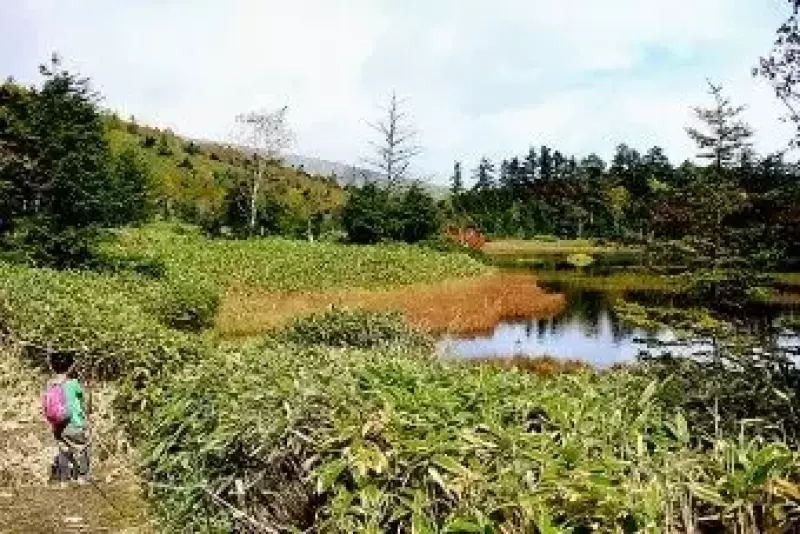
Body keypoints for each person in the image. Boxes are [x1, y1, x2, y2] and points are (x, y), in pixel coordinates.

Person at [44, 352, 91, 484]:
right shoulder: (74, 383)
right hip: (74, 424)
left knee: (63, 449)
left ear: (52, 367)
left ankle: (63, 478)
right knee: (82, 448)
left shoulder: (50, 384)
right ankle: (83, 477)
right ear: (70, 367)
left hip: (58, 425)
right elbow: (83, 401)